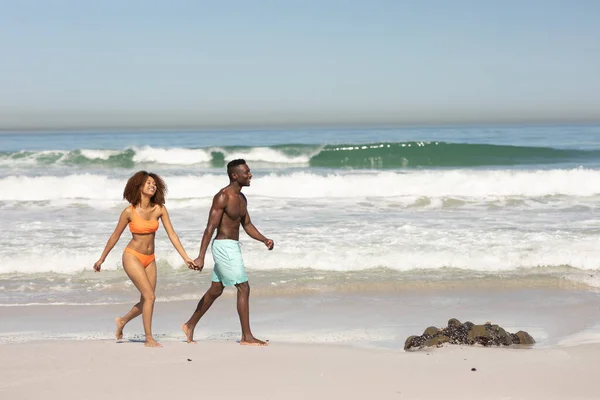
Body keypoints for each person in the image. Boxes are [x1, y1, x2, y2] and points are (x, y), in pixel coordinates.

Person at [93, 171, 196, 347]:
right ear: (139, 186)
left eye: (154, 183)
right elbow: (115, 236)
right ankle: (148, 338)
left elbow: (172, 234)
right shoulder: (129, 212)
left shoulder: (159, 209)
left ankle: (122, 321)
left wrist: (186, 258)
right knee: (150, 296)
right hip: (132, 256)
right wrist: (101, 258)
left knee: (146, 300)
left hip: (150, 258)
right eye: (148, 183)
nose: (152, 185)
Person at [182, 159, 274, 346]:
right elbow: (209, 228)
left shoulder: (242, 198)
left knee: (216, 290)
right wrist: (201, 256)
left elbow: (247, 225)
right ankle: (246, 336)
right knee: (243, 287)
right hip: (223, 246)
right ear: (235, 175)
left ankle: (189, 325)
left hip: (233, 246)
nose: (250, 175)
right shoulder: (222, 197)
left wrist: (264, 239)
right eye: (246, 172)